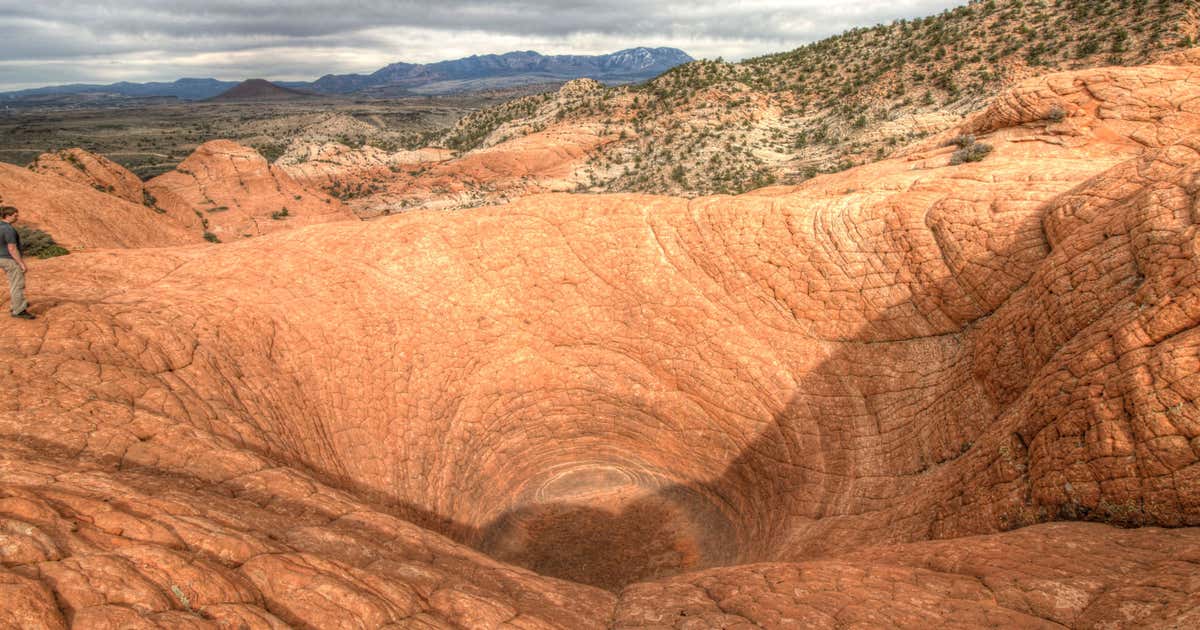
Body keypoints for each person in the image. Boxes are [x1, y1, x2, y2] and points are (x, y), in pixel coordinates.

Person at [0, 206, 33, 319]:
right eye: (15, 215)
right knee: (17, 284)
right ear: (8, 216)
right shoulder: (8, 229)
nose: (17, 217)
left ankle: (16, 304)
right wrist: (21, 263)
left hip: (1, 258)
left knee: (13, 283)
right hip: (9, 259)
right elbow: (12, 248)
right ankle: (18, 310)